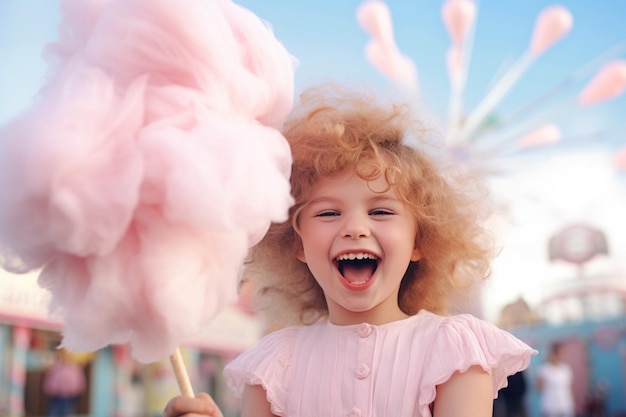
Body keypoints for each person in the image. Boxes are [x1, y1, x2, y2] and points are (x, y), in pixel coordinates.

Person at [163, 84, 537, 417]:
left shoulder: (453, 351)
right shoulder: (275, 365)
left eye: (381, 211)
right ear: (298, 243)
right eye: (328, 212)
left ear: (419, 241)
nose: (355, 228)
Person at [536, 342, 575, 417]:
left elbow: (569, 388)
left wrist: (572, 404)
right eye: (558, 353)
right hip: (550, 407)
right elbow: (538, 388)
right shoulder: (544, 369)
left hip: (565, 406)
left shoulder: (566, 369)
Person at [43, 349, 86, 417]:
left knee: (67, 411)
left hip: (69, 395)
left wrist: (77, 391)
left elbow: (78, 381)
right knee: (53, 412)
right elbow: (50, 379)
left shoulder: (74, 368)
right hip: (56, 395)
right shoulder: (56, 367)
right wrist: (49, 389)